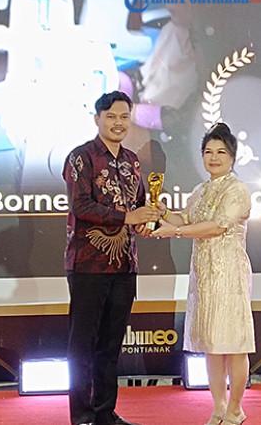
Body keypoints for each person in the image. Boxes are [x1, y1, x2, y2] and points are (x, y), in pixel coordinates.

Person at [62, 91, 160, 425]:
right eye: (111, 117)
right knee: (82, 346)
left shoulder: (132, 160)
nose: (118, 123)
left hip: (125, 266)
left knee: (110, 346)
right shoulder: (81, 158)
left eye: (124, 117)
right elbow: (81, 206)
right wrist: (128, 217)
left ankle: (105, 413)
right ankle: (82, 416)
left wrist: (149, 217)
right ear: (97, 119)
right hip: (88, 266)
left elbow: (139, 205)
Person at [152, 123, 255, 425]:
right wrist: (161, 212)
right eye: (208, 152)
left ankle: (236, 408)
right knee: (212, 345)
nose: (214, 157)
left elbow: (218, 226)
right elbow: (185, 219)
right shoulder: (200, 191)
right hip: (204, 276)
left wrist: (175, 232)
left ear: (232, 156)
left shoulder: (237, 190)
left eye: (221, 152)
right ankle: (219, 408)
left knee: (234, 345)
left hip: (230, 275)